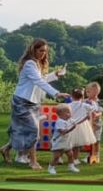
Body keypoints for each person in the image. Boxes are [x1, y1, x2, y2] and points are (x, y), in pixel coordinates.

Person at [2, 39, 66, 170]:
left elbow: (41, 79)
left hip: (33, 102)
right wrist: (56, 93)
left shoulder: (37, 64)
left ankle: (5, 149)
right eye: (41, 50)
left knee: (23, 130)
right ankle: (33, 161)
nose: (43, 53)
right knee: (33, 130)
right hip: (22, 102)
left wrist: (55, 75)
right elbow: (38, 81)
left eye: (45, 51)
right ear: (34, 50)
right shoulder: (30, 64)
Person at [47, 104, 89, 174]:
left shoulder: (70, 120)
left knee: (70, 154)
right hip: (59, 142)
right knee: (56, 156)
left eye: (69, 112)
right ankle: (51, 168)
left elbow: (78, 121)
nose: (70, 114)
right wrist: (72, 128)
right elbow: (63, 132)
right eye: (67, 112)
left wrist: (85, 117)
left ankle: (71, 166)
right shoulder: (59, 122)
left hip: (67, 142)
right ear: (60, 114)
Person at [84, 81, 103, 165]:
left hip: (96, 124)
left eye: (89, 91)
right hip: (87, 123)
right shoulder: (85, 101)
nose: (88, 93)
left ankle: (96, 155)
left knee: (96, 140)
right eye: (87, 92)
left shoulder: (98, 102)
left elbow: (101, 111)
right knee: (88, 140)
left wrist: (97, 114)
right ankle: (89, 154)